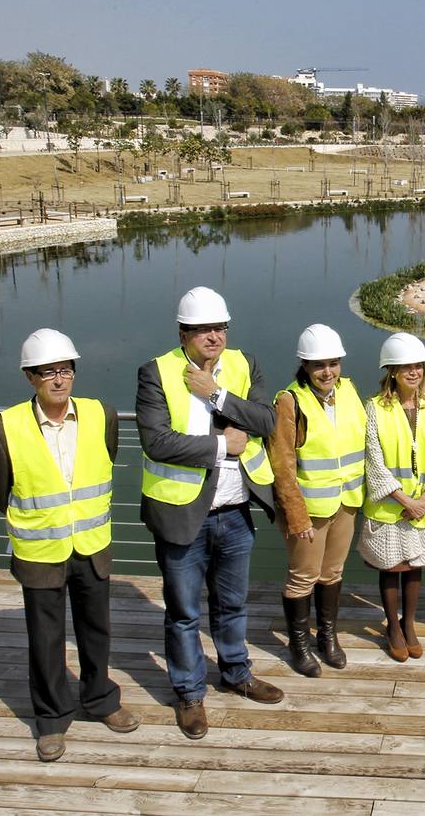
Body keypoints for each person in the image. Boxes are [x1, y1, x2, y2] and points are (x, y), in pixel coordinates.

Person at [0, 329, 139, 761]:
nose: (58, 379)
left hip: (91, 544)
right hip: (40, 552)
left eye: (65, 370)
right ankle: (51, 720)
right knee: (45, 640)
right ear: (30, 377)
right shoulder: (4, 428)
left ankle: (102, 700)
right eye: (47, 372)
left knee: (96, 631)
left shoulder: (100, 414)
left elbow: (106, 459)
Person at [136, 286, 282, 741]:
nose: (214, 336)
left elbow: (267, 421)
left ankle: (236, 672)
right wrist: (222, 443)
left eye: (219, 327)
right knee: (183, 613)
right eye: (203, 329)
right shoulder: (155, 373)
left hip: (236, 511)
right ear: (184, 333)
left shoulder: (244, 364)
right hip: (184, 515)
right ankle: (189, 692)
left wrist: (216, 394)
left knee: (233, 604)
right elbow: (156, 441)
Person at [267, 324, 364, 677]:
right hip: (309, 509)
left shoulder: (349, 392)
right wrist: (296, 515)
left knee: (332, 572)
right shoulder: (290, 401)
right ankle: (299, 644)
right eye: (319, 365)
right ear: (304, 366)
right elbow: (282, 464)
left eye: (333, 363)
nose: (328, 372)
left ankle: (327, 637)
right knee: (302, 577)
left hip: (347, 501)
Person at [361, 332, 425, 661]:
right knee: (392, 567)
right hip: (391, 508)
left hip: (424, 508)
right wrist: (404, 500)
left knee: (414, 567)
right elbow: (373, 460)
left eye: (418, 366)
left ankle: (409, 623)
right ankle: (392, 626)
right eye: (406, 367)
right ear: (392, 372)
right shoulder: (374, 408)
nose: (414, 372)